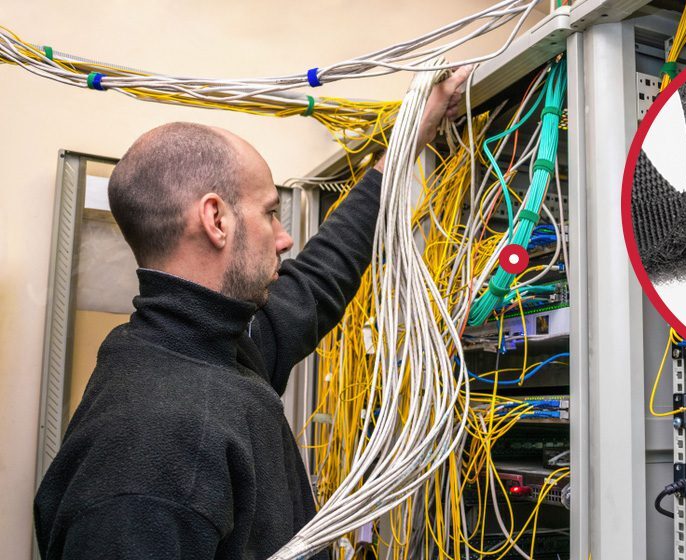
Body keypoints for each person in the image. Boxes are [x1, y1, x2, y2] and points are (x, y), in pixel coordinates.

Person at [34, 67, 471, 560]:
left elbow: (314, 284)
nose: (284, 238)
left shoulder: (199, 346)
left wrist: (408, 143)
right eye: (269, 212)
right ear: (216, 219)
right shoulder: (153, 448)